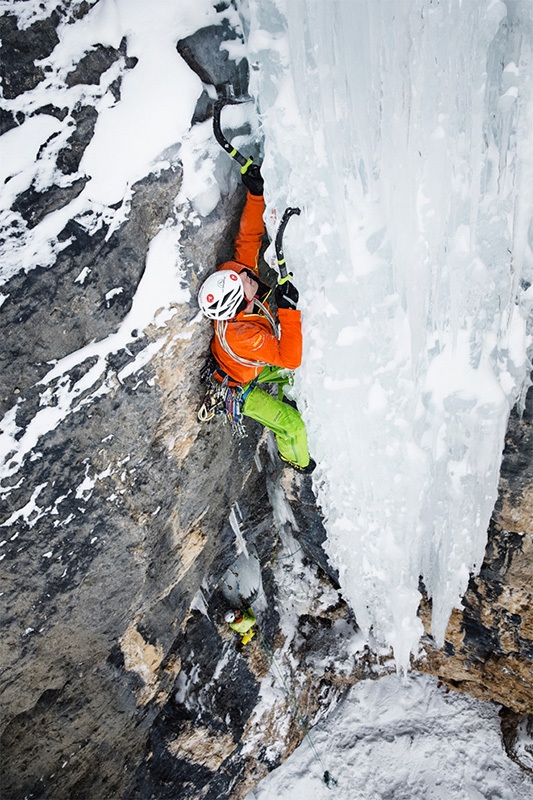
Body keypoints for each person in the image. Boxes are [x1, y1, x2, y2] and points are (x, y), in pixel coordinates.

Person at [197, 164, 315, 474]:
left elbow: (247, 241)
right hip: (239, 387)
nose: (248, 272)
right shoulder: (243, 335)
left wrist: (255, 193)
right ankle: (297, 461)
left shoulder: (235, 289)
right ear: (242, 300)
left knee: (299, 381)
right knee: (292, 425)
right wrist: (288, 309)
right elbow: (289, 358)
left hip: (249, 366)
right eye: (244, 278)